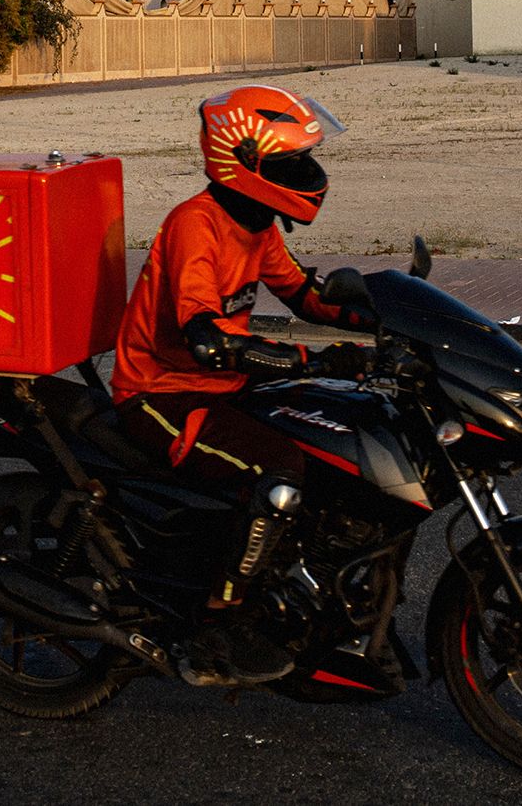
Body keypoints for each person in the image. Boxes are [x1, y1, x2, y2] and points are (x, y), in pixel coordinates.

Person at [110, 83, 375, 684]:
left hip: (221, 386)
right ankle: (216, 624)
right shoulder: (195, 226)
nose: (307, 171)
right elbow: (211, 341)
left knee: (329, 438)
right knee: (277, 474)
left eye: (306, 157)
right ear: (246, 163)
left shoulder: (255, 223)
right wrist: (312, 360)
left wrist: (381, 313)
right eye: (292, 161)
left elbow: (304, 294)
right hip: (160, 394)